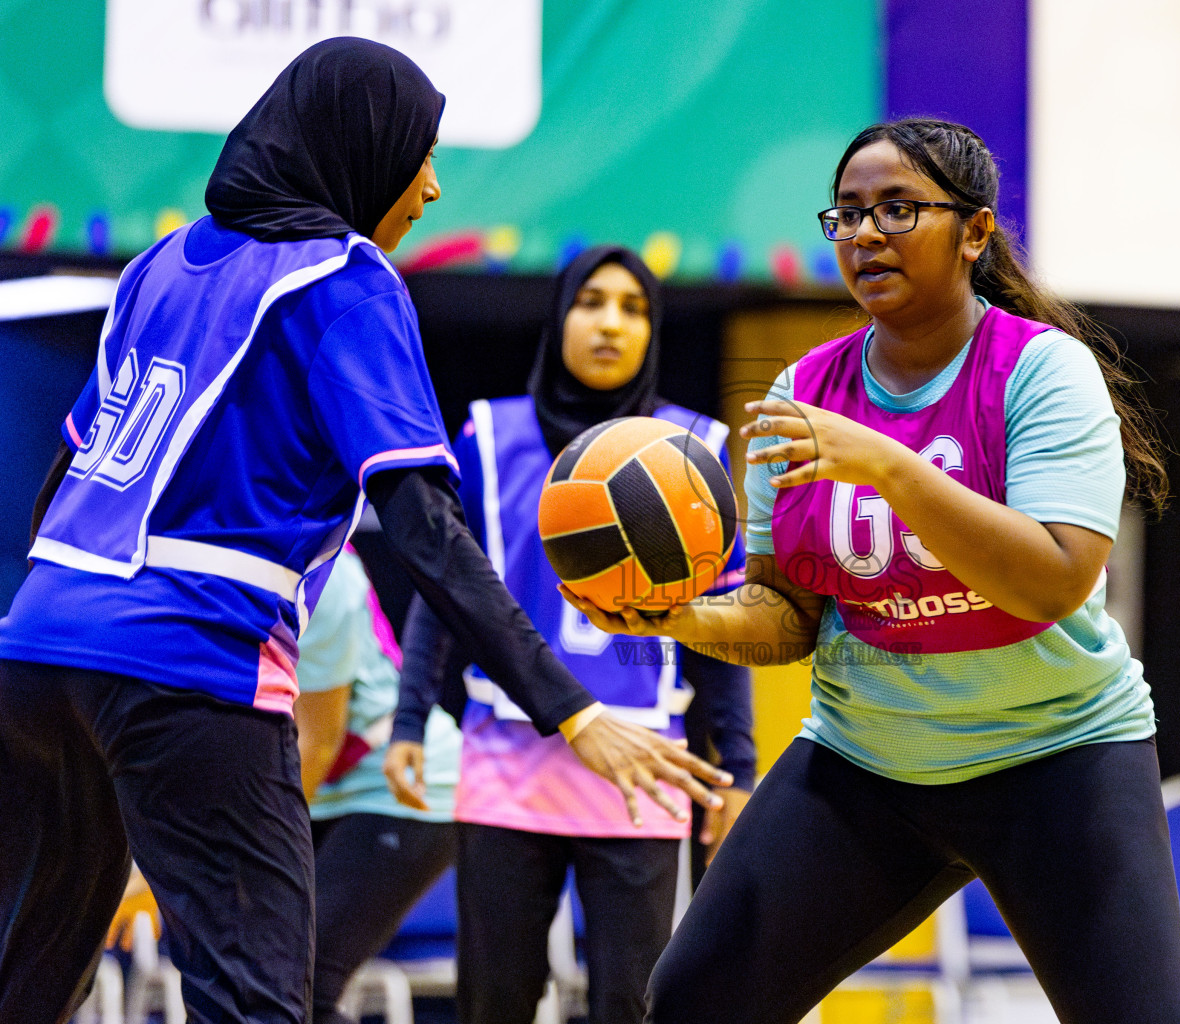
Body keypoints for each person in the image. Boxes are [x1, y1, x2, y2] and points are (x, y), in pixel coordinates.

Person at [0, 38, 724, 1024]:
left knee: (26, 983)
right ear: (361, 147)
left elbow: (63, 476)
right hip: (192, 654)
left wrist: (52, 622)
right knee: (258, 1004)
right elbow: (427, 530)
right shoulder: (344, 276)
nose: (429, 186)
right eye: (418, 153)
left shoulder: (156, 265)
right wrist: (573, 709)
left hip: (35, 649)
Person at [561, 118, 1180, 1024]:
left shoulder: (1043, 372)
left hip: (1058, 754)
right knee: (694, 999)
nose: (865, 235)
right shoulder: (798, 396)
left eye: (899, 210)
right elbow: (787, 616)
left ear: (974, 232)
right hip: (871, 763)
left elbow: (1054, 580)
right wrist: (675, 618)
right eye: (848, 215)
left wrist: (889, 465)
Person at [385, 245, 754, 1024]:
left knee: (636, 1003)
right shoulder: (489, 435)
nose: (612, 323)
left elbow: (729, 625)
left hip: (645, 764)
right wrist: (410, 717)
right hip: (505, 759)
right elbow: (445, 592)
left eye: (634, 307)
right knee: (495, 1002)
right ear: (559, 318)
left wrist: (740, 770)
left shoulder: (697, 451)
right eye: (592, 302)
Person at [294, 547, 461, 1024]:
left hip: (404, 785)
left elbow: (318, 743)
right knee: (254, 980)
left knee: (299, 989)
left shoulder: (326, 578)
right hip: (325, 791)